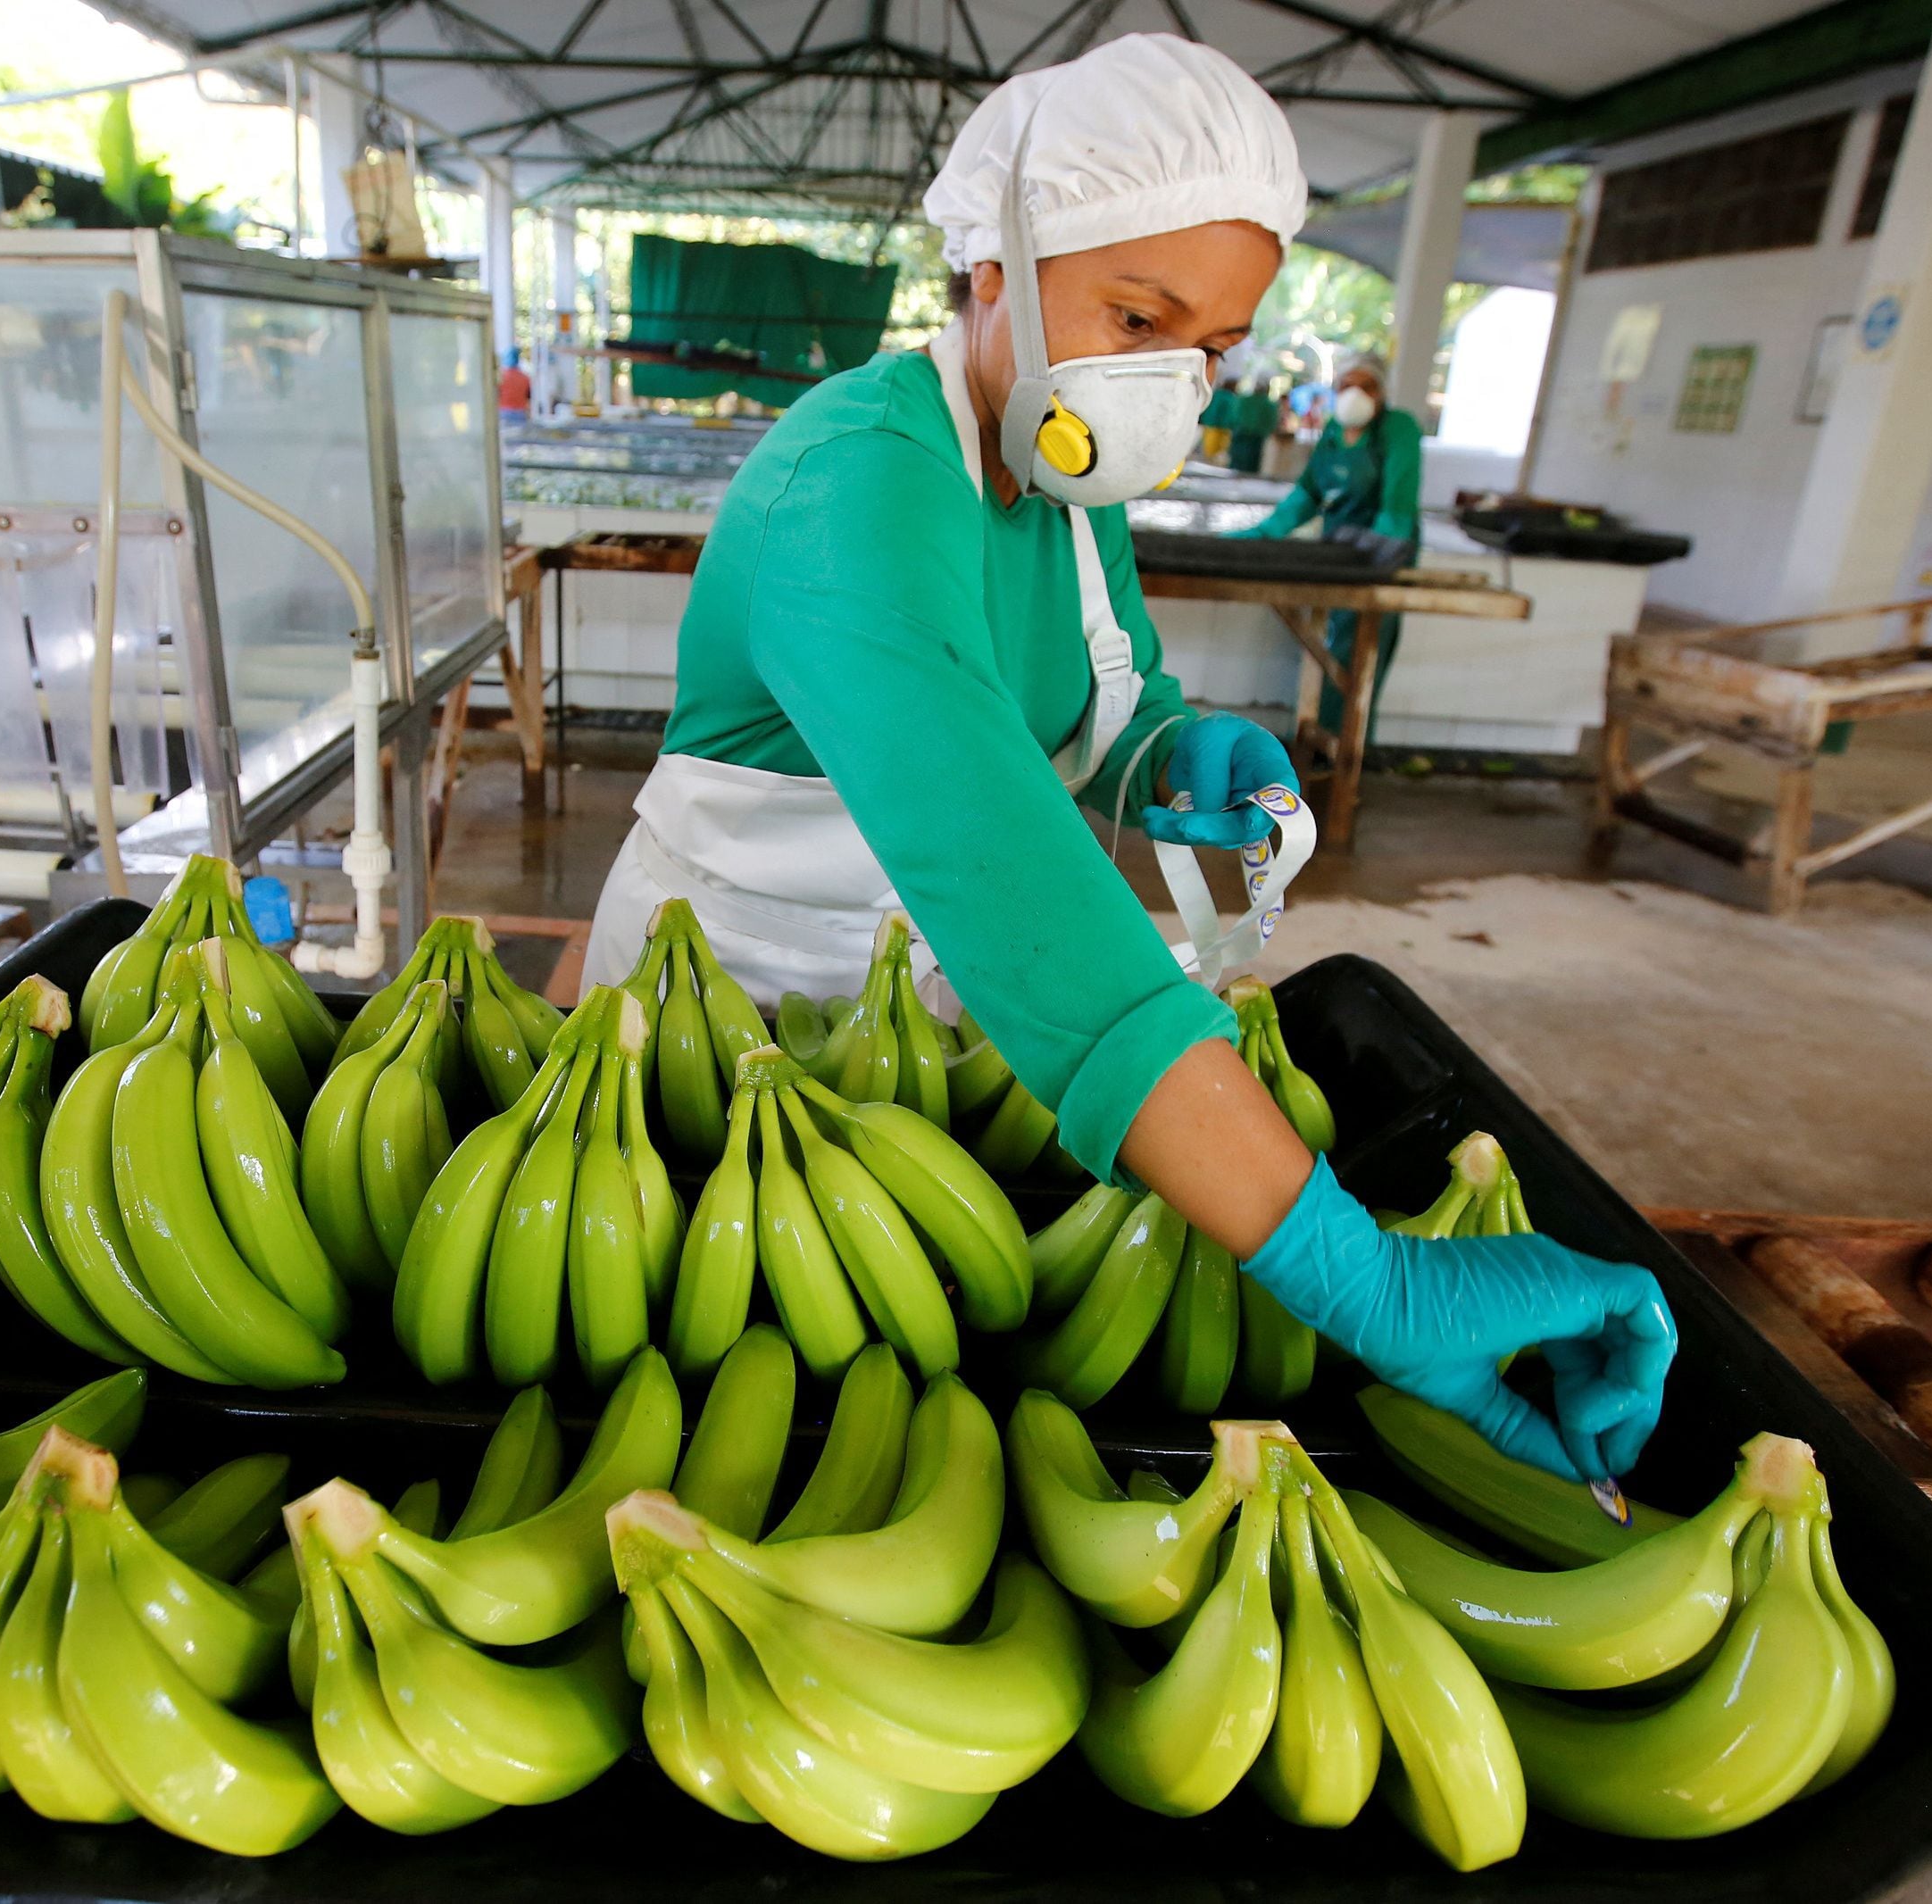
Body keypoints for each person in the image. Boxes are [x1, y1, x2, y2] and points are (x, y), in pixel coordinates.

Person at [582, 33, 1671, 1482]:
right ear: (995, 272)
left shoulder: (1059, 470)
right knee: (731, 1371)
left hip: (931, 987)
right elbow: (1010, 869)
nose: (1175, 377)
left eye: (1210, 347)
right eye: (1137, 312)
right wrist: (1364, 1276)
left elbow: (1104, 699)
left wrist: (1171, 750)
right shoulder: (853, 480)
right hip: (735, 991)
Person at [1237, 353, 1423, 738]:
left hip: (1380, 555)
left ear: (1382, 392)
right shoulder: (1334, 434)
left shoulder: (1398, 429)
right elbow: (1308, 493)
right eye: (1346, 385)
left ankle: (1346, 748)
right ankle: (1320, 744)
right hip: (1338, 553)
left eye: (1366, 386)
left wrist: (1382, 550)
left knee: (1359, 657)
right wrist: (1266, 532)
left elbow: (1398, 501)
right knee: (1330, 650)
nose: (1355, 394)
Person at [495, 346, 531, 422]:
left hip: (504, 412)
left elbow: (496, 394)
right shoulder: (525, 377)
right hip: (520, 413)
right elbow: (528, 397)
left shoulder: (501, 376)